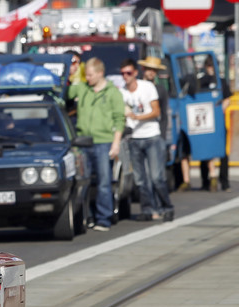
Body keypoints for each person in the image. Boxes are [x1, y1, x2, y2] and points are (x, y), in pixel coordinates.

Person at [74, 57, 125, 231]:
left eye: (90, 75)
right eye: (86, 75)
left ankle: (104, 218)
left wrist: (115, 143)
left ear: (100, 73)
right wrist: (72, 71)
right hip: (83, 142)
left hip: (104, 142)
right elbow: (65, 94)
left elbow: (119, 119)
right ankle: (86, 216)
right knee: (84, 182)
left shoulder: (113, 92)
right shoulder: (82, 88)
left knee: (104, 181)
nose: (87, 78)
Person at [120, 59, 173, 222]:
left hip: (152, 137)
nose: (125, 76)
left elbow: (158, 112)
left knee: (156, 177)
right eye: (123, 74)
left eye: (128, 73)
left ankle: (166, 207)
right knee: (140, 179)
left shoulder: (151, 88)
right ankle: (148, 209)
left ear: (135, 73)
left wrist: (137, 117)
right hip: (134, 139)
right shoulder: (122, 92)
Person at [196, 56, 231, 192]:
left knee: (222, 153)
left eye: (213, 66)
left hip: (219, 122)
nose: (210, 68)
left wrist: (219, 110)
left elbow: (227, 99)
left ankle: (225, 182)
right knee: (204, 151)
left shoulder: (221, 81)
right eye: (208, 66)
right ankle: (205, 181)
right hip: (205, 122)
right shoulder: (201, 81)